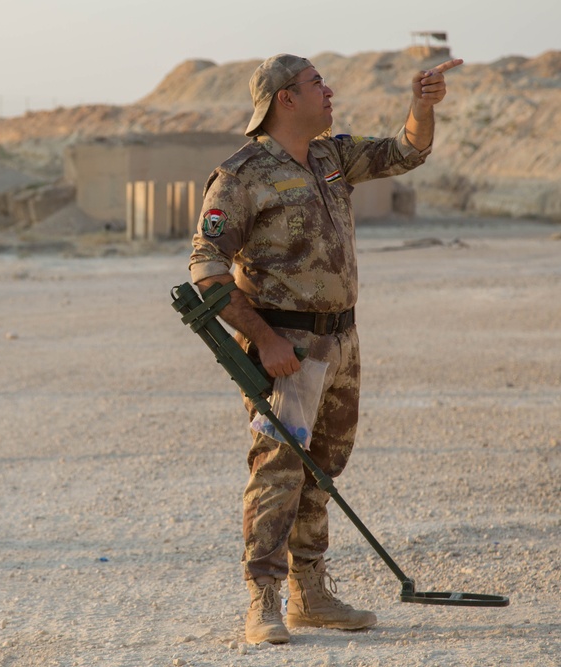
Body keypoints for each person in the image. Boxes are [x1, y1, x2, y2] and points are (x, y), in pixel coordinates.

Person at [189, 53, 462, 644]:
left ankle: (308, 597)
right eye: (317, 83)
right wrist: (263, 341)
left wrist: (422, 105)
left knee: (323, 471)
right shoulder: (239, 176)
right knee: (279, 469)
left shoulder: (329, 155)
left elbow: (406, 151)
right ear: (285, 98)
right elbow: (206, 271)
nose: (329, 90)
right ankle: (261, 601)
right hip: (286, 348)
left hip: (341, 341)